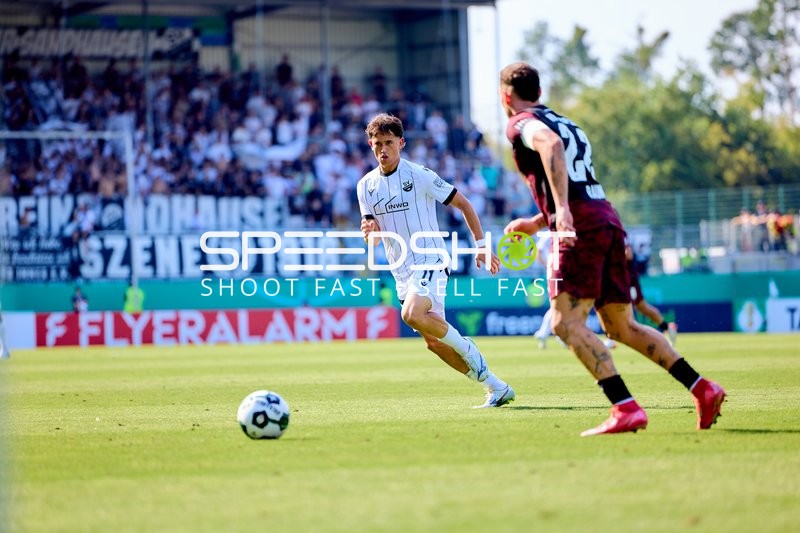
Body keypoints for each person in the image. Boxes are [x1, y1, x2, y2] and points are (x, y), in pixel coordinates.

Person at [499, 62, 725, 435]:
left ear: (507, 96)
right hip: (606, 219)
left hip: (580, 227)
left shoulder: (520, 122)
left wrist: (561, 212)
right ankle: (703, 388)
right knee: (621, 325)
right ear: (539, 91)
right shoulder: (568, 123)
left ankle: (625, 408)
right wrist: (538, 221)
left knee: (564, 323)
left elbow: (549, 147)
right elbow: (578, 181)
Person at [357, 113, 514, 408]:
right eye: (377, 144)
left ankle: (468, 347)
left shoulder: (419, 175)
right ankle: (495, 386)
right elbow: (372, 235)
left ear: (401, 143)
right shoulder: (365, 187)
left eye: (389, 142)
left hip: (430, 258)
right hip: (401, 270)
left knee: (410, 314)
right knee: (433, 342)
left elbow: (463, 203)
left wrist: (481, 245)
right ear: (370, 145)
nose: (383, 150)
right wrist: (369, 232)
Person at [530, 232, 616, 351]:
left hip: (561, 272)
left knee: (560, 304)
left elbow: (537, 252)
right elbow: (537, 252)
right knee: (564, 304)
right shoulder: (555, 232)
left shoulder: (555, 232)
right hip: (562, 272)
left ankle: (548, 333)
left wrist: (548, 265)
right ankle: (559, 334)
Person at [625, 243, 678, 345]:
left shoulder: (620, 240)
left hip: (630, 284)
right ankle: (667, 327)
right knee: (642, 307)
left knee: (638, 308)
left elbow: (628, 253)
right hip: (625, 282)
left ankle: (664, 329)